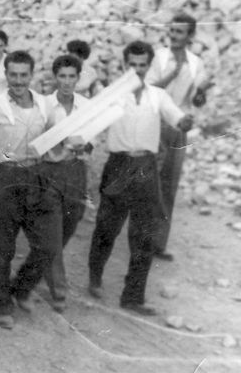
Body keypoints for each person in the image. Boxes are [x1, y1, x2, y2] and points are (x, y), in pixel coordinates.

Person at [88, 41, 193, 317]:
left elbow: (177, 117)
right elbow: (90, 121)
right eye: (132, 64)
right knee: (106, 228)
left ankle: (133, 296)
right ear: (125, 65)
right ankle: (95, 277)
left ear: (149, 66)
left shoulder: (158, 95)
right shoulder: (112, 95)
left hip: (146, 167)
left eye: (142, 65)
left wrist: (186, 122)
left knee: (145, 233)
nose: (137, 69)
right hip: (118, 165)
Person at [0, 50, 59, 330]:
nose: (17, 80)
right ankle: (3, 305)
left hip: (35, 175)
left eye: (23, 75)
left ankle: (22, 287)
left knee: (49, 244)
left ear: (31, 75)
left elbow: (54, 136)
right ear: (5, 75)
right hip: (4, 176)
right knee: (3, 247)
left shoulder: (43, 104)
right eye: (12, 75)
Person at [146, 13, 211, 262]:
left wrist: (202, 93)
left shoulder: (196, 63)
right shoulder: (158, 57)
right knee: (148, 181)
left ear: (190, 36)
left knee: (169, 184)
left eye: (180, 32)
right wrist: (172, 74)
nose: (174, 36)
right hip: (154, 123)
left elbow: (196, 101)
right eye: (172, 30)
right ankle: (140, 239)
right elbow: (150, 90)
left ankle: (158, 243)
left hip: (178, 128)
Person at [40, 55, 90, 313]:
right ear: (55, 77)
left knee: (71, 223)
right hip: (51, 171)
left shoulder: (87, 105)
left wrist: (85, 145)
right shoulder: (45, 105)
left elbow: (93, 138)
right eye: (62, 76)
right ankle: (58, 288)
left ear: (78, 78)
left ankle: (44, 264)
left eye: (72, 77)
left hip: (76, 171)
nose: (67, 82)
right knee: (52, 228)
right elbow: (38, 140)